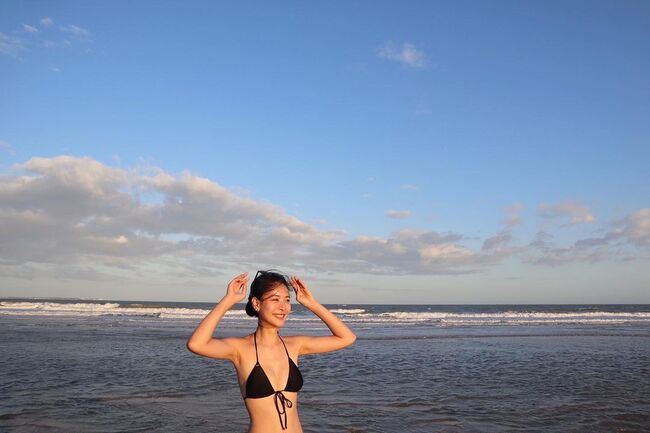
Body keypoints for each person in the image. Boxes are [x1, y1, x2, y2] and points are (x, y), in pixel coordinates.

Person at [186, 270, 356, 433]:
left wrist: (311, 304)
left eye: (287, 300)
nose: (284, 307)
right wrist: (228, 300)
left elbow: (347, 338)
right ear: (256, 303)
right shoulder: (239, 349)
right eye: (275, 299)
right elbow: (196, 344)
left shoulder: (294, 345)